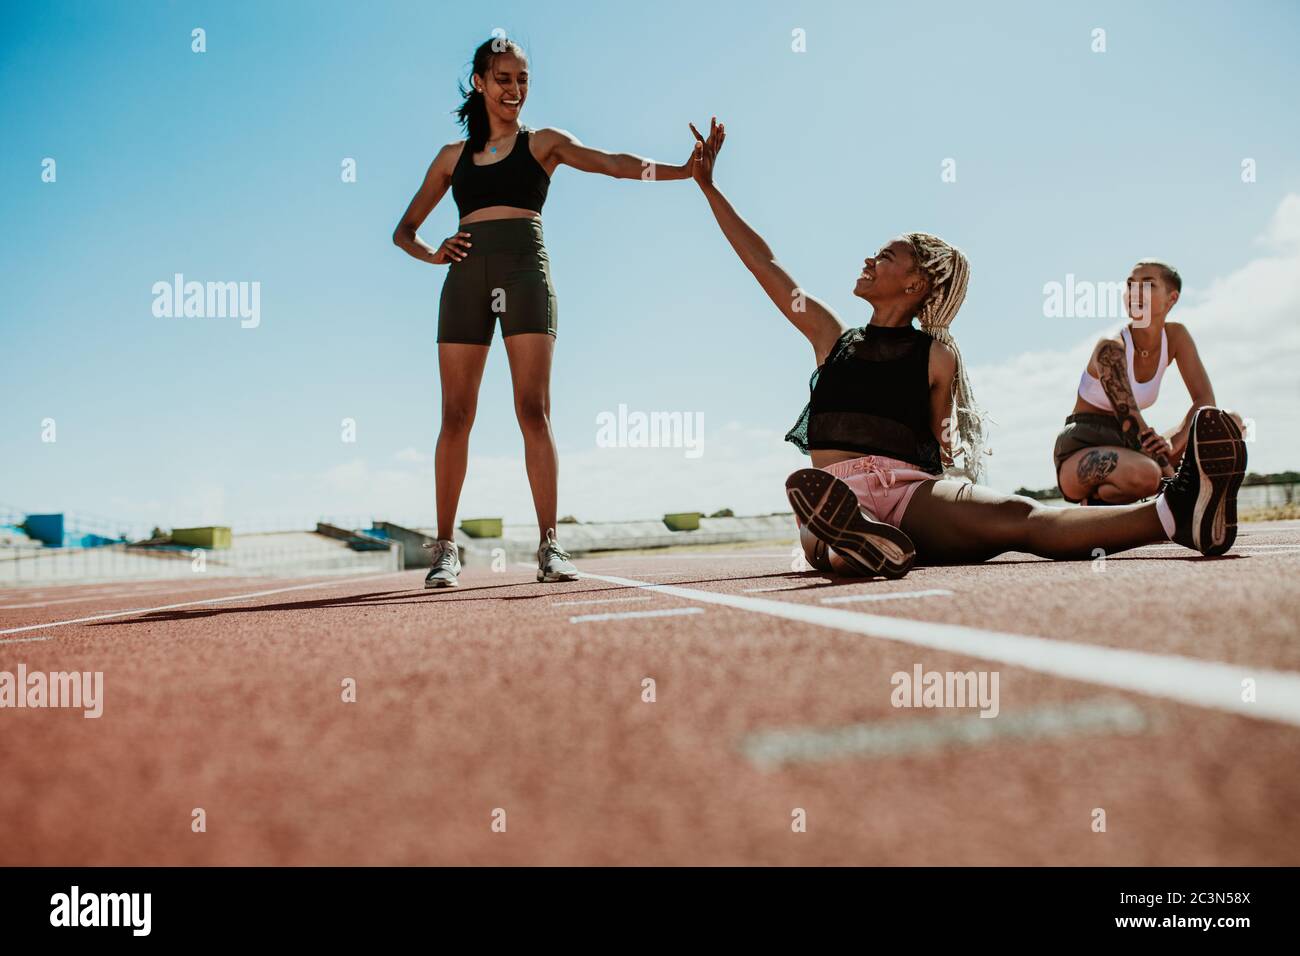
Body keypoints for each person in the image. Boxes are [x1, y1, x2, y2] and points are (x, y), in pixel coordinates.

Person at [685, 118, 1246, 576]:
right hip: (835, 491)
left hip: (911, 491)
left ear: (915, 283)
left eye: (885, 256)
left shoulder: (937, 356)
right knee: (828, 534)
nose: (868, 259)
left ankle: (1175, 513)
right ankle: (856, 542)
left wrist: (952, 475)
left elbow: (936, 443)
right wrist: (710, 189)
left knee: (1022, 517)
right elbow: (764, 262)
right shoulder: (830, 335)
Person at [393, 38, 697, 587]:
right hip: (465, 281)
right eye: (503, 78)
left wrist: (683, 170)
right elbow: (404, 231)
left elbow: (612, 164)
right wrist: (434, 252)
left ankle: (550, 546)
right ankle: (445, 549)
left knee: (533, 410)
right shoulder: (450, 157)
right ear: (480, 83)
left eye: (523, 79)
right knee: (455, 416)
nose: (515, 89)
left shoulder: (544, 143)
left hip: (524, 276)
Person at [1054, 260, 1239, 505]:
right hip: (1084, 448)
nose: (1135, 291)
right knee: (1148, 474)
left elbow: (1205, 400)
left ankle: (1118, 500)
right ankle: (1107, 499)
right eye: (1130, 284)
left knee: (1229, 424)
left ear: (1171, 299)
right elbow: (1133, 426)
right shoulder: (1110, 348)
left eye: (1148, 284)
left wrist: (1173, 443)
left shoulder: (1176, 336)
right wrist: (1173, 482)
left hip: (1133, 448)